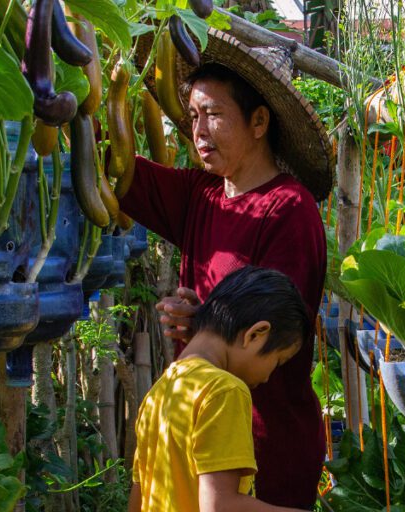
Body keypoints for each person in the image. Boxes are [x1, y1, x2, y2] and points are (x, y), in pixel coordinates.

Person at [120, 30, 334, 508]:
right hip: (200, 430)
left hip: (263, 445)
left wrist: (199, 321)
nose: (197, 131)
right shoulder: (202, 194)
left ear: (259, 121)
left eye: (213, 114)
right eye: (193, 115)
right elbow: (116, 168)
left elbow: (275, 327)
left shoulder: (288, 210)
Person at [128, 265, 311, 512]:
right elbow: (220, 506)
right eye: (278, 361)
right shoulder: (225, 390)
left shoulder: (159, 391)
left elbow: (138, 501)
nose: (269, 377)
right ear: (256, 334)